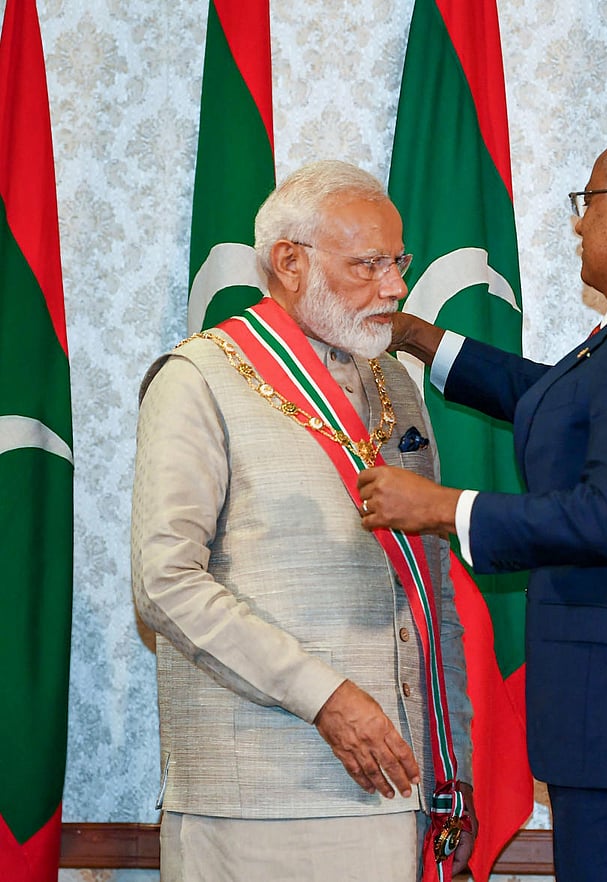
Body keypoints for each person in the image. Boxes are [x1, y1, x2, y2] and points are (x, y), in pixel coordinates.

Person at [357, 127, 607, 882]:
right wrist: (419, 338)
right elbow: (560, 397)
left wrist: (442, 507)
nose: (577, 223)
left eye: (589, 201)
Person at [131, 160, 475, 882]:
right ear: (290, 261)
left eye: (398, 261)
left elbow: (430, 592)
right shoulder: (198, 377)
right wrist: (326, 697)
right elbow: (164, 583)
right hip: (259, 799)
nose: (397, 287)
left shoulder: (396, 384)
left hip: (401, 793)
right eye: (370, 264)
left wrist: (454, 767)